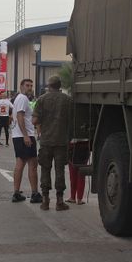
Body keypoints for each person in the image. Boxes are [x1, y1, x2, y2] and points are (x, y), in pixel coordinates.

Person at [33, 75, 75, 212]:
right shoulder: (68, 100)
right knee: (60, 171)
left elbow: (35, 121)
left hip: (46, 141)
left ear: (49, 86)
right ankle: (60, 201)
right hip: (62, 141)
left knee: (45, 169)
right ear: (60, 85)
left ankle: (45, 201)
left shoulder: (42, 99)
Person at [9, 78, 40, 204]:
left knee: (20, 163)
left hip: (18, 135)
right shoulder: (22, 98)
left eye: (31, 86)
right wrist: (26, 135)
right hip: (24, 135)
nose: (30, 88)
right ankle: (34, 193)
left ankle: (16, 193)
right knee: (32, 165)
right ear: (21, 86)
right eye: (27, 85)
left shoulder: (19, 98)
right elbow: (20, 116)